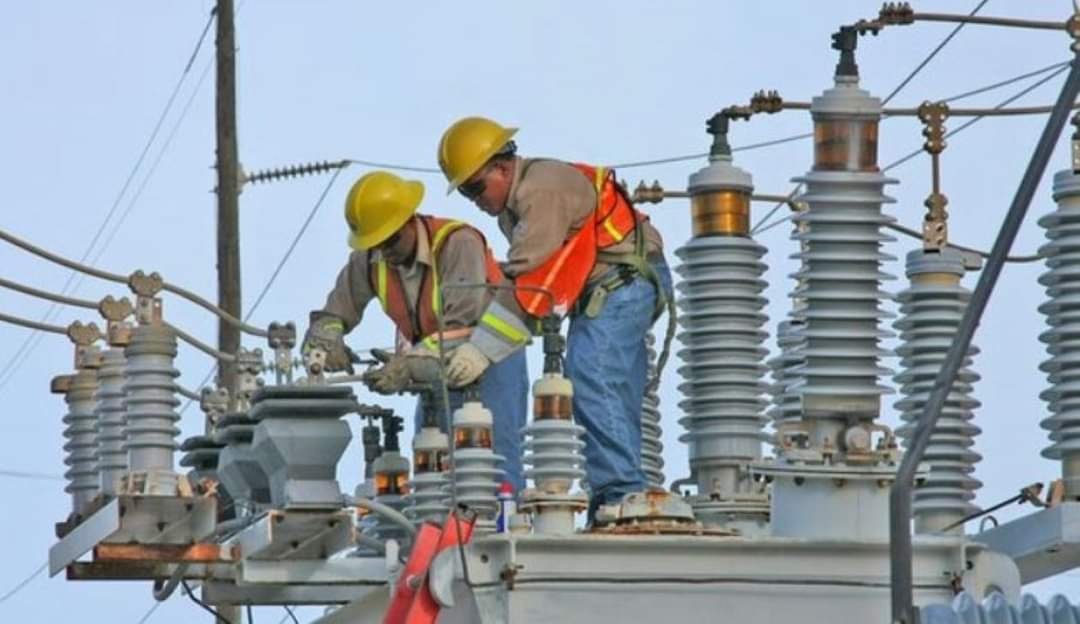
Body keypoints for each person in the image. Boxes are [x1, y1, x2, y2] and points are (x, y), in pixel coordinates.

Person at [436, 117, 673, 518]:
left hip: (623, 282)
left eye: (475, 187)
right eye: (464, 192)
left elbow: (528, 282)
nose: (473, 200)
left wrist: (481, 350)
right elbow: (540, 284)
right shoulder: (515, 204)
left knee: (592, 373)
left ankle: (621, 494)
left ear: (502, 168)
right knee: (613, 390)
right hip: (610, 286)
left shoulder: (539, 191)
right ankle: (620, 493)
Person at [301, 170, 528, 492]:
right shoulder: (371, 258)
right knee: (434, 470)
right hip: (430, 365)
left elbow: (462, 327)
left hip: (489, 359)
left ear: (410, 220)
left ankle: (504, 519)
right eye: (376, 244)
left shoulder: (457, 243)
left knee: (494, 460)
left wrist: (407, 366)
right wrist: (327, 337)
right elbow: (334, 312)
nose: (385, 252)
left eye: (390, 240)